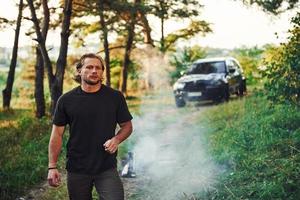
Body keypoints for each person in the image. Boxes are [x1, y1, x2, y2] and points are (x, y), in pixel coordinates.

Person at [47, 53, 133, 200]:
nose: (94, 71)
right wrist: (52, 166)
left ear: (102, 72)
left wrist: (116, 140)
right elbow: (57, 135)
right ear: (79, 71)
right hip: (77, 168)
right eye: (89, 67)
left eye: (98, 68)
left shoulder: (115, 97)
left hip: (106, 167)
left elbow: (127, 126)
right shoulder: (66, 100)